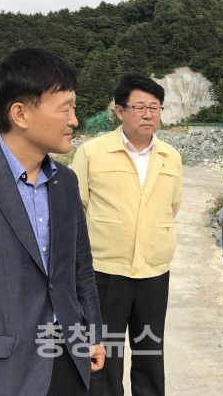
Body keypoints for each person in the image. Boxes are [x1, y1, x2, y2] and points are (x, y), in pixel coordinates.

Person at [0, 47, 105, 396]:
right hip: (1, 374)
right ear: (20, 114)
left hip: (67, 358)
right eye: (65, 108)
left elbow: (81, 270)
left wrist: (93, 334)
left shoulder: (65, 182)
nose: (74, 120)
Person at [71, 72, 182, 396]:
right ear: (120, 111)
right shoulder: (92, 153)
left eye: (155, 107)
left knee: (150, 353)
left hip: (153, 273)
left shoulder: (171, 157)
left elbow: (172, 206)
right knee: (105, 356)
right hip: (105, 274)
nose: (148, 114)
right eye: (140, 107)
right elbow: (78, 210)